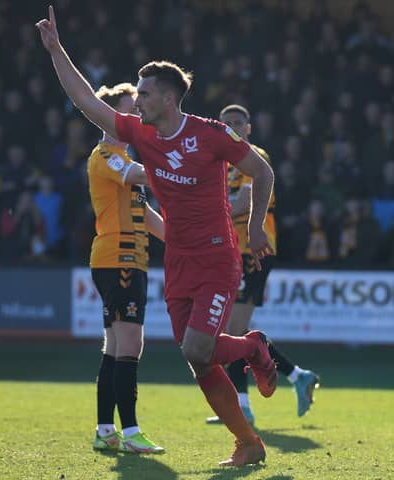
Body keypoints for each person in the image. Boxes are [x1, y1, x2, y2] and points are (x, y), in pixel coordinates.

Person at [37, 7, 277, 467]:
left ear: (168, 98)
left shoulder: (210, 135)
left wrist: (253, 226)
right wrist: (55, 50)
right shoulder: (142, 136)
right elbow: (88, 102)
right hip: (178, 262)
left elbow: (262, 171)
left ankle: (251, 346)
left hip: (217, 258)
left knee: (196, 347)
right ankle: (248, 442)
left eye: (144, 93)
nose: (137, 100)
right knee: (199, 361)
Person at [206, 104, 319, 426]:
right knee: (231, 333)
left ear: (249, 127)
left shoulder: (254, 158)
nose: (231, 127)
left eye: (237, 123)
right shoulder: (218, 161)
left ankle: (244, 406)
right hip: (227, 251)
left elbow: (243, 203)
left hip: (252, 250)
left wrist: (205, 213)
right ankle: (296, 376)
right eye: (225, 123)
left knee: (233, 331)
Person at [88, 83, 165, 454]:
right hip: (117, 259)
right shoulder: (107, 154)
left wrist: (179, 238)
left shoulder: (124, 157)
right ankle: (131, 433)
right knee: (130, 343)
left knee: (116, 345)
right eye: (130, 110)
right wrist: (178, 165)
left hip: (129, 259)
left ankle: (106, 430)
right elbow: (137, 176)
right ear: (112, 117)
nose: (137, 115)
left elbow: (146, 214)